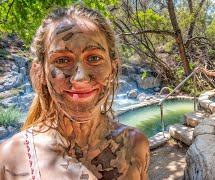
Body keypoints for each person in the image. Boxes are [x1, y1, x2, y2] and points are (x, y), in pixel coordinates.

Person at [0, 4, 150, 180]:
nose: (80, 79)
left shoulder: (136, 145)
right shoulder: (11, 158)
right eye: (62, 60)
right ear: (40, 72)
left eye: (94, 58)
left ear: (113, 68)